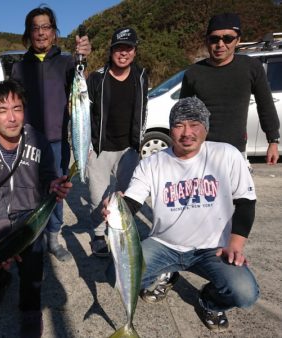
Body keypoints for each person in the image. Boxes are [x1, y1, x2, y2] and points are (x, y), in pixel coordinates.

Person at [104, 97, 259, 332]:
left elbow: (246, 202)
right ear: (170, 128)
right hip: (165, 245)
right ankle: (166, 273)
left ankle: (209, 301)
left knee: (245, 292)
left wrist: (236, 242)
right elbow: (133, 201)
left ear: (206, 127)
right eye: (179, 125)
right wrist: (117, 207)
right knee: (115, 274)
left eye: (195, 124)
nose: (187, 132)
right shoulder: (153, 162)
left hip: (212, 248)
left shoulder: (226, 154)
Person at [0, 80, 73, 337]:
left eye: (17, 108)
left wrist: (55, 185)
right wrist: (6, 242)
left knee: (33, 272)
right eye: (2, 110)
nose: (12, 118)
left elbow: (48, 177)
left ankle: (30, 311)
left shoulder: (39, 140)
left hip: (29, 216)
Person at [10, 5, 91, 261]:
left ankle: (54, 239)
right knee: (29, 190)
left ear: (54, 32)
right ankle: (33, 237)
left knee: (57, 191)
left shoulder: (67, 62)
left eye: (46, 27)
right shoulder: (19, 67)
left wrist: (83, 58)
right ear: (28, 34)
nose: (41, 33)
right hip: (28, 141)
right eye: (35, 28)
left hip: (58, 142)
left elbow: (81, 87)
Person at [180, 12, 280, 165]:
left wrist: (273, 141)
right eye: (214, 39)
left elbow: (265, 104)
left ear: (238, 40)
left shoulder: (251, 67)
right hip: (201, 150)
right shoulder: (194, 73)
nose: (220, 44)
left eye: (227, 38)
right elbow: (183, 113)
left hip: (236, 151)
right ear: (207, 41)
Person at [86, 27, 148, 257]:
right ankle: (99, 235)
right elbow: (85, 113)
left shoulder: (141, 76)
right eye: (119, 48)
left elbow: (143, 109)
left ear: (134, 51)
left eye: (128, 48)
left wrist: (138, 141)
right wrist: (87, 147)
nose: (123, 53)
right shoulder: (97, 77)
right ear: (111, 50)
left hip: (129, 148)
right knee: (98, 196)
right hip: (100, 148)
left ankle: (121, 232)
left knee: (126, 195)